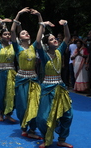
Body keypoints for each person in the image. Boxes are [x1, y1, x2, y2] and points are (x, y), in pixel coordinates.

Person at [36, 20, 73, 148]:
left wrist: (65, 25)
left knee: (68, 115)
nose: (55, 40)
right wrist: (42, 26)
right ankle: (47, 138)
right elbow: (37, 43)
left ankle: (62, 139)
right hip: (47, 88)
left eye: (55, 38)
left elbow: (67, 37)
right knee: (42, 118)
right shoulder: (44, 55)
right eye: (52, 39)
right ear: (47, 44)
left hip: (60, 88)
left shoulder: (59, 51)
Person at [11, 7, 42, 139]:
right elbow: (12, 30)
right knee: (23, 105)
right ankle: (24, 127)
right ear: (19, 37)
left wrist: (40, 16)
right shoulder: (17, 47)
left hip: (34, 79)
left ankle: (33, 129)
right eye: (23, 33)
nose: (26, 33)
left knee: (35, 103)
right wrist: (18, 14)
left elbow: (41, 33)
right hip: (21, 79)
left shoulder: (34, 46)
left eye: (27, 32)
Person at [0, 17, 16, 122]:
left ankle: (8, 114)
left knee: (11, 94)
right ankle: (1, 112)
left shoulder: (14, 45)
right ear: (1, 36)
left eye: (9, 34)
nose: (8, 36)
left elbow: (16, 32)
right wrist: (1, 23)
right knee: (1, 93)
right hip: (0, 72)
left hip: (11, 72)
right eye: (5, 34)